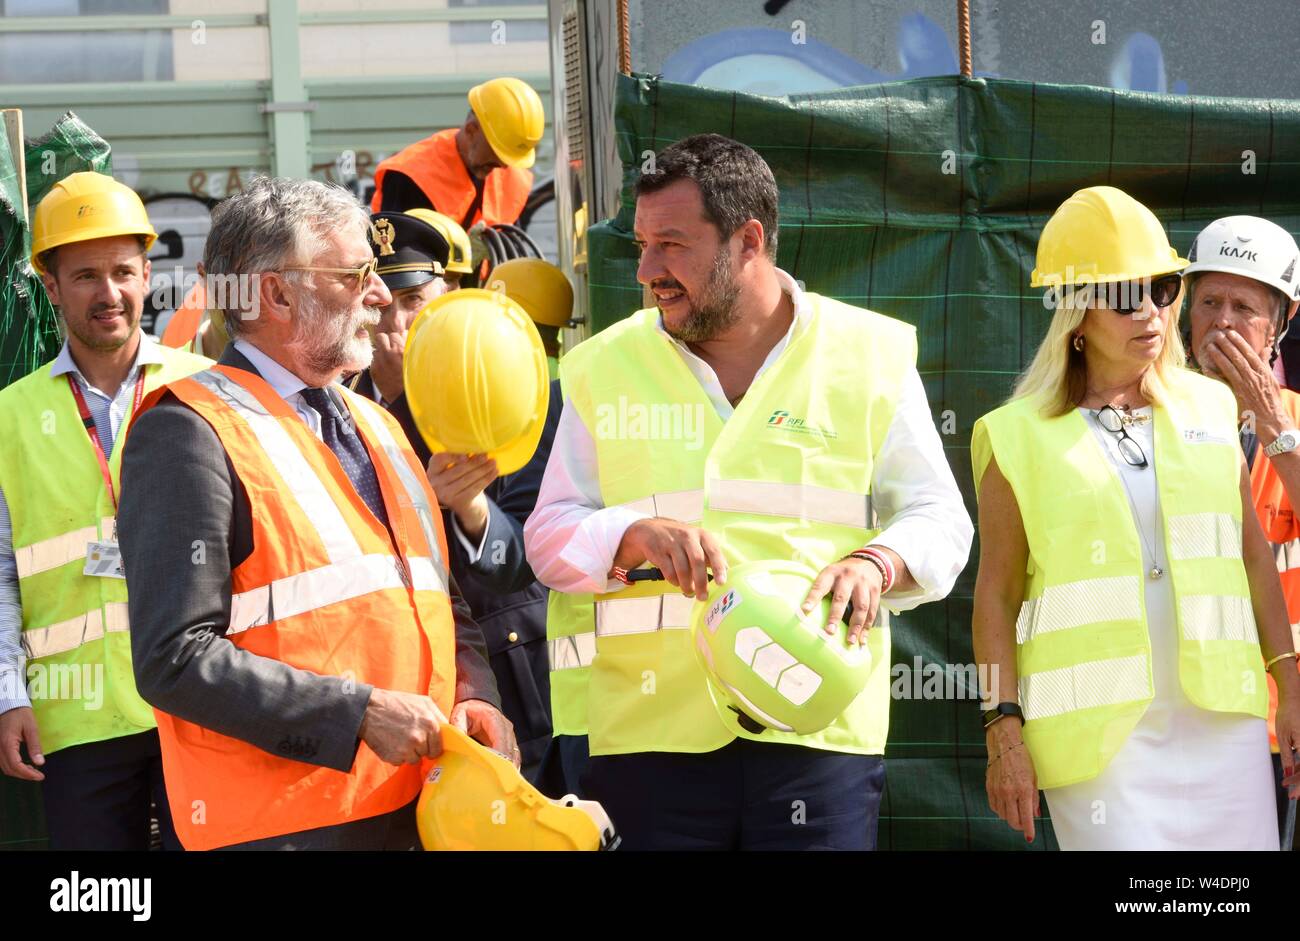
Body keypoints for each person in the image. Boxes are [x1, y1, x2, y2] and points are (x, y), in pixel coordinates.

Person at [523, 134, 972, 850]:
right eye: (641, 245)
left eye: (671, 244)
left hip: (817, 726)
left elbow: (940, 519)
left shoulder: (867, 355)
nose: (647, 271)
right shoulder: (605, 365)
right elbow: (547, 535)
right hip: (646, 739)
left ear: (748, 240)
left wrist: (876, 563)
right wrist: (627, 537)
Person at [117, 177, 515, 851]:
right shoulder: (187, 430)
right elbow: (173, 658)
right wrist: (357, 714)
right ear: (276, 294)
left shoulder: (375, 423)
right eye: (356, 274)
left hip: (416, 809)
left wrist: (474, 696)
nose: (380, 293)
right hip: (283, 827)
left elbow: (437, 598)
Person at [971, 186, 1300, 850]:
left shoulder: (1210, 406)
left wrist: (1290, 684)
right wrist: (1001, 726)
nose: (1150, 311)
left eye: (1162, 287)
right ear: (1076, 311)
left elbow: (1252, 558)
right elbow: (995, 595)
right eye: (1125, 294)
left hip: (1225, 728)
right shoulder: (1012, 435)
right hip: (1098, 742)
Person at [0, 172, 210, 849]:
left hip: (199, 704)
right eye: (86, 275)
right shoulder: (10, 418)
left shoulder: (203, 390)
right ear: (51, 286)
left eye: (123, 270)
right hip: (76, 721)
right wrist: (9, 695)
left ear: (149, 274)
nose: (110, 292)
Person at [1183, 214, 1300, 840]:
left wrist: (1272, 422)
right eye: (1208, 301)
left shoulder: (1298, 425)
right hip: (1174, 714)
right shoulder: (1138, 419)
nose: (1223, 321)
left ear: (1283, 320)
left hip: (1280, 721)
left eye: (1245, 307)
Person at [370, 77, 542, 230]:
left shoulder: (513, 178)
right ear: (471, 130)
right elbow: (397, 255)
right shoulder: (410, 176)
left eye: (510, 156)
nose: (503, 165)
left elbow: (513, 245)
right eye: (497, 151)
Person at [347, 209, 451, 404]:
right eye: (378, 305)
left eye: (413, 298)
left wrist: (400, 396)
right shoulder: (342, 396)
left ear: (443, 298)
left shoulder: (473, 377)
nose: (396, 322)